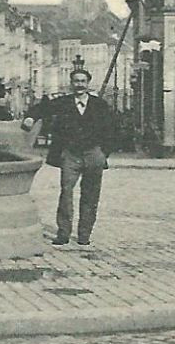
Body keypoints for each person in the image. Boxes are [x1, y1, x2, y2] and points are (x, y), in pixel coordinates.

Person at [23, 69, 118, 246]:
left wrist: (103, 152)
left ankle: (84, 234)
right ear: (71, 83)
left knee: (90, 194)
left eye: (83, 81)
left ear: (88, 83)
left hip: (93, 154)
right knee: (66, 193)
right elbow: (42, 108)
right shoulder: (63, 102)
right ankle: (63, 233)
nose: (79, 84)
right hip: (70, 155)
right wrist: (30, 117)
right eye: (76, 81)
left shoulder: (100, 105)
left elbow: (112, 129)